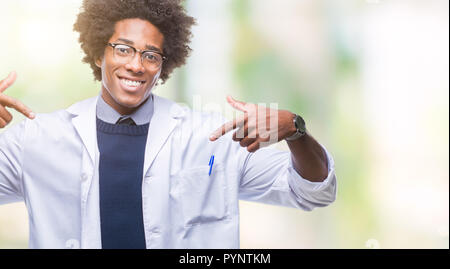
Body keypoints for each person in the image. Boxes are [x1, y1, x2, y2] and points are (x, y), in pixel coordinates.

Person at [0, 0, 337, 249]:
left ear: (164, 66)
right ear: (98, 54)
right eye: (123, 49)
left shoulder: (211, 138)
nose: (136, 65)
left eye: (151, 55)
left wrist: (296, 130)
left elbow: (311, 191)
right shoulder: (38, 139)